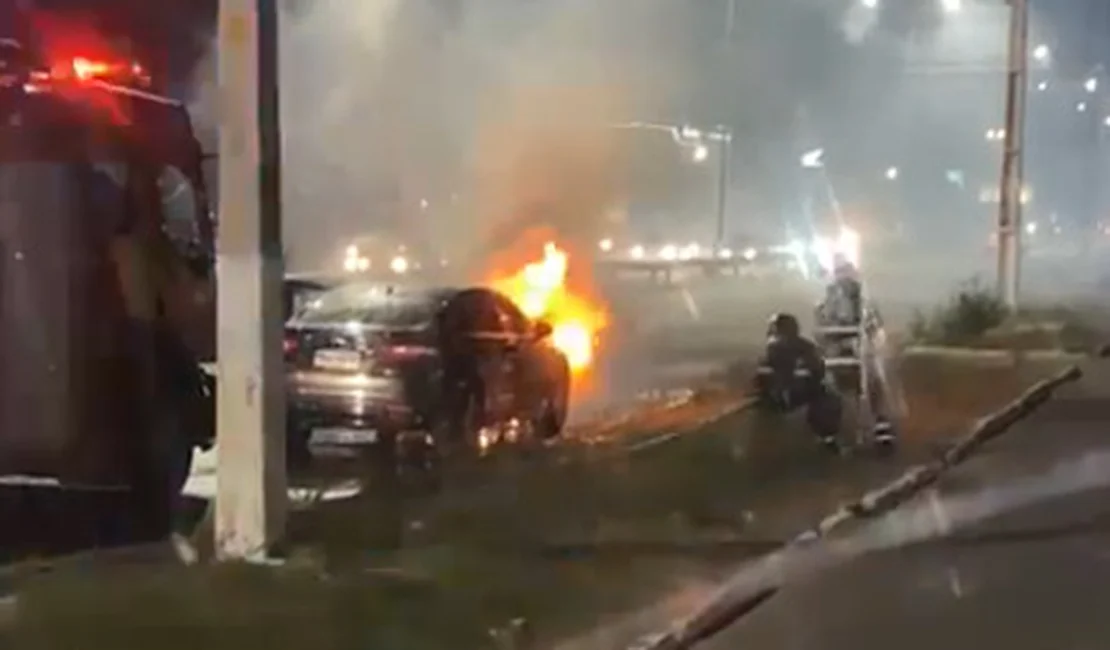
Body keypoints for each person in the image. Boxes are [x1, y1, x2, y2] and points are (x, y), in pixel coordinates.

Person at [814, 255, 896, 447]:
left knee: (875, 380)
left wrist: (870, 342)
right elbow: (821, 329)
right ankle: (830, 431)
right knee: (826, 385)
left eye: (847, 272)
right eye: (840, 273)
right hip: (836, 353)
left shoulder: (865, 301)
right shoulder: (825, 302)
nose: (845, 278)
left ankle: (881, 426)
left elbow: (874, 326)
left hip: (861, 351)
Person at [754, 312, 843, 453]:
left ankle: (826, 437)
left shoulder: (772, 348)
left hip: (783, 394)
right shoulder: (804, 346)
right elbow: (819, 370)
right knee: (828, 397)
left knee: (826, 396)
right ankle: (827, 437)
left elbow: (817, 369)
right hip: (790, 393)